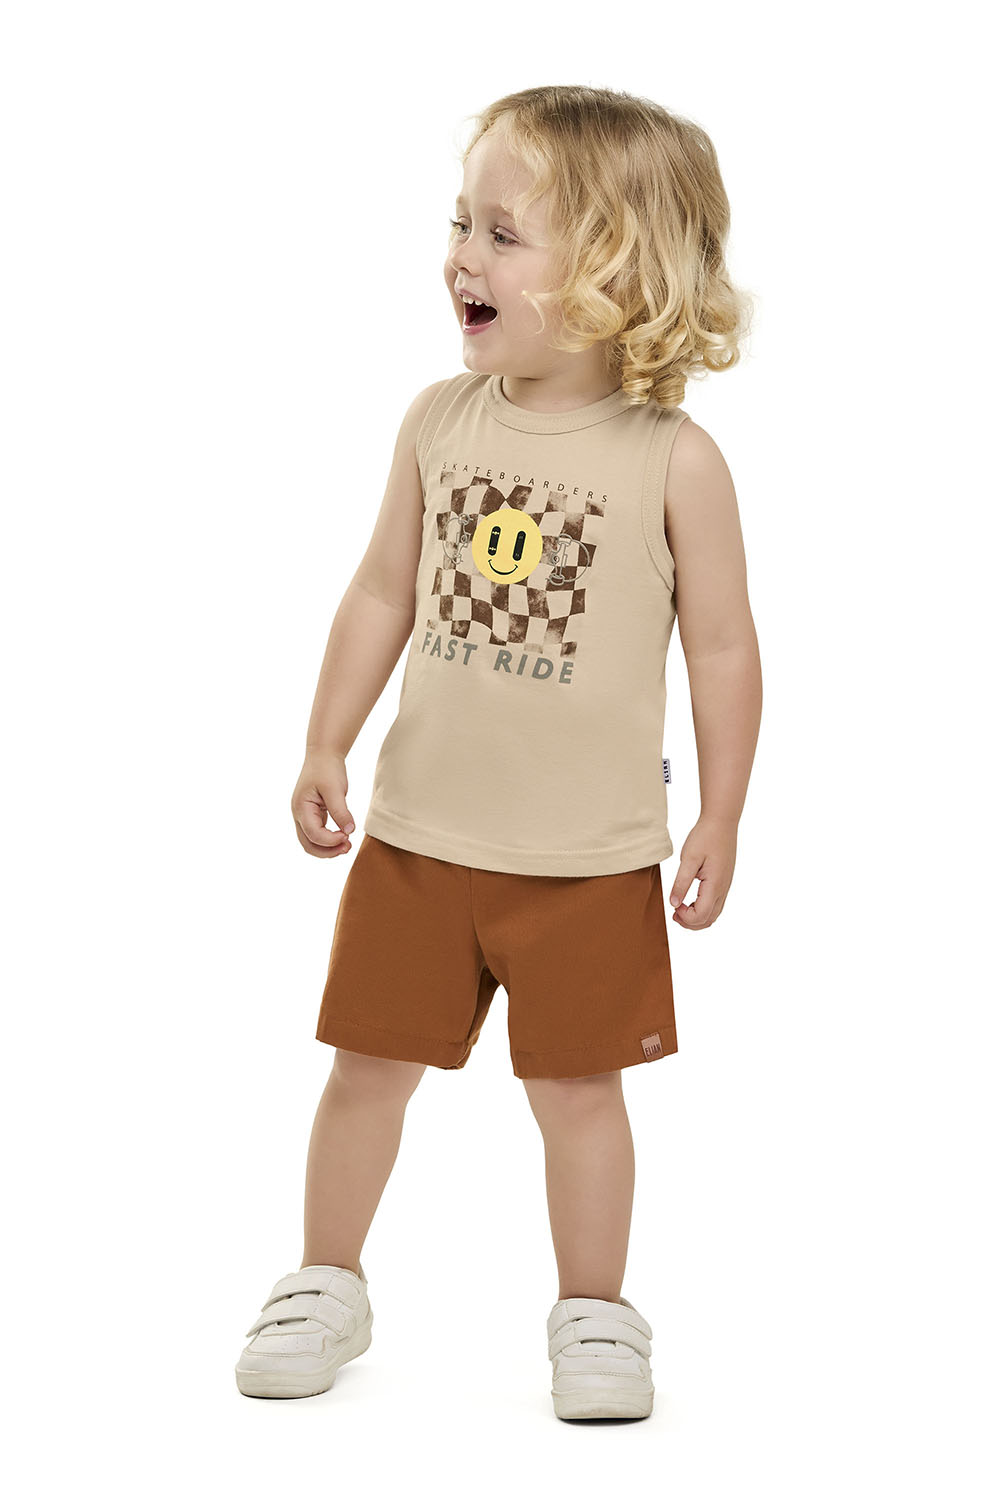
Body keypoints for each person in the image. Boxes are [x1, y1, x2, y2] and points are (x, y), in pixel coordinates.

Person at [235, 84, 762, 1420]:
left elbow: (722, 649)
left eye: (502, 233)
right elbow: (382, 591)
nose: (461, 256)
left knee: (579, 1095)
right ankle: (325, 1278)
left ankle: (596, 1312)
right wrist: (326, 739)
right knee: (365, 1073)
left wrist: (721, 813)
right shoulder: (439, 421)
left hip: (586, 861)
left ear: (615, 272)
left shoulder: (676, 463)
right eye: (459, 223)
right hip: (419, 839)